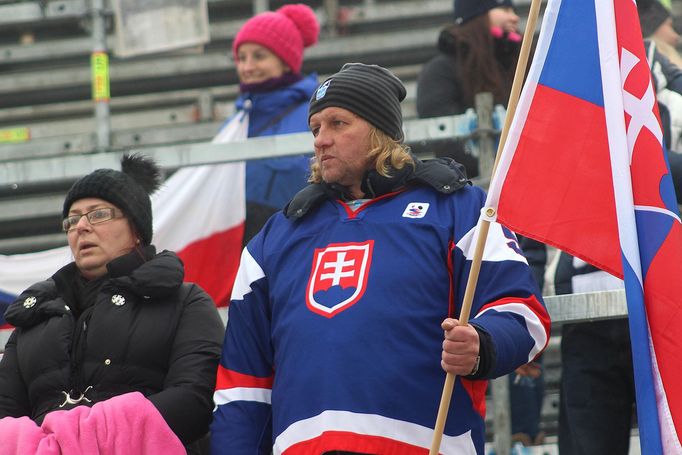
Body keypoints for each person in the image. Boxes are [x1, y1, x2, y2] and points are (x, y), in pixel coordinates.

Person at [210, 63, 550, 454]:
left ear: (379, 132)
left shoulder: (457, 208)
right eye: (316, 128)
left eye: (338, 124)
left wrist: (482, 343)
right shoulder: (275, 237)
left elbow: (523, 312)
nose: (321, 140)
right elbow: (242, 386)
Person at [0, 154, 225, 453]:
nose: (81, 227)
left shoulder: (186, 302)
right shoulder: (33, 318)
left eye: (98, 214)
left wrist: (85, 440)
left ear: (136, 231)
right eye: (72, 219)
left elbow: (195, 399)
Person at [418, 0, 547, 446]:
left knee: (519, 315)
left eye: (517, 9)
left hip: (522, 210)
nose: (515, 17)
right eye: (503, 8)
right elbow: (440, 139)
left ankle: (523, 435)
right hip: (467, 220)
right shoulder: (442, 67)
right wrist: (488, 154)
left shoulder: (524, 59)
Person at [226, 3, 320, 244]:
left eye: (259, 56)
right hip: (246, 248)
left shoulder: (317, 112)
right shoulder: (237, 119)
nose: (247, 67)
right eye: (241, 58)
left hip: (304, 239)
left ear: (286, 61)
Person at [415, 0, 521, 178]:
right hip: (474, 187)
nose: (515, 17)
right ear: (476, 15)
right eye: (504, 8)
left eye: (513, 10)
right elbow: (447, 144)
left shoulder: (522, 63)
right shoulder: (441, 71)